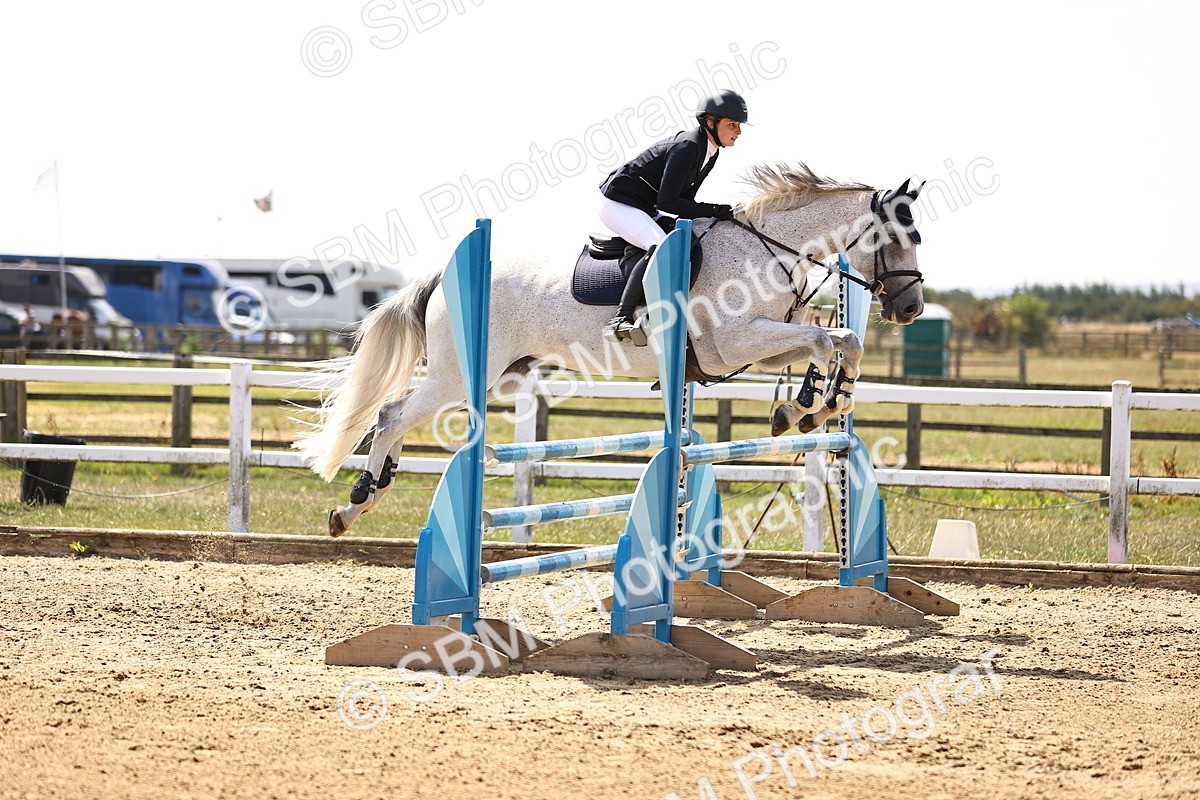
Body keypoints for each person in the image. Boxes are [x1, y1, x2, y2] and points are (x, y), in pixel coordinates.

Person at [599, 89, 748, 343]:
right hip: (619, 204)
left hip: (644, 207)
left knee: (689, 238)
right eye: (732, 124)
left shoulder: (709, 152)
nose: (738, 131)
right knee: (660, 247)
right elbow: (668, 201)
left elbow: (685, 202)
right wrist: (713, 209)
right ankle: (620, 319)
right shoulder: (688, 146)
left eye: (739, 125)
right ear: (710, 123)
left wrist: (716, 213)